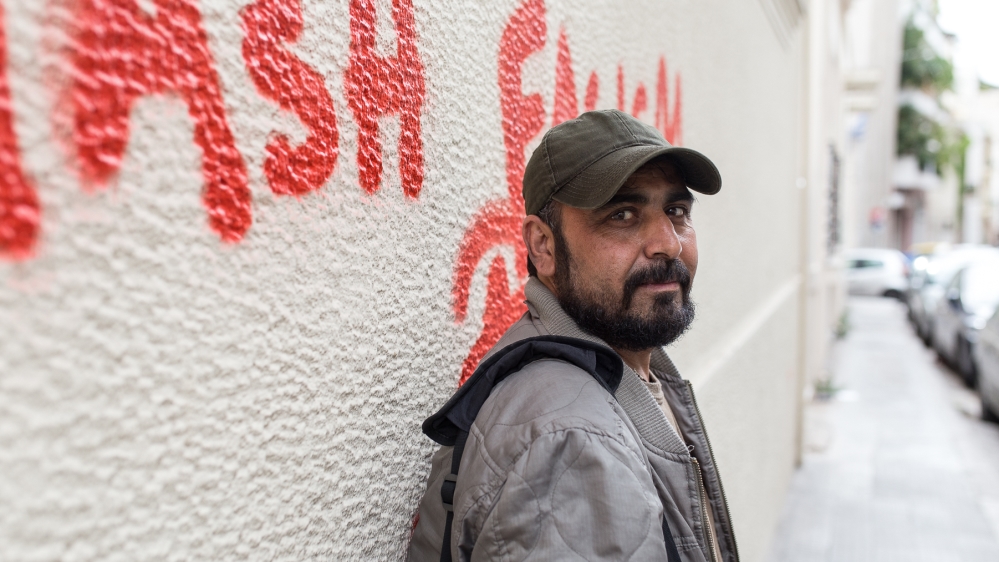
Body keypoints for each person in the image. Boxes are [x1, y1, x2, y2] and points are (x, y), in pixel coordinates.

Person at [408, 109, 738, 562]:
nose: (668, 243)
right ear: (543, 246)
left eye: (676, 211)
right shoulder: (570, 440)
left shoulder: (621, 373)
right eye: (623, 215)